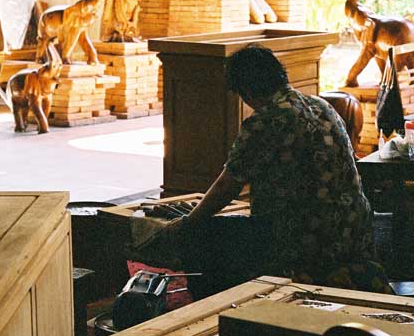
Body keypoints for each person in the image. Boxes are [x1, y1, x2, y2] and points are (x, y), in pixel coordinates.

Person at [145, 45, 388, 298]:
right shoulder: (322, 106)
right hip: (354, 227)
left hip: (306, 238)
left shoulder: (266, 120)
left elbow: (228, 186)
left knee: (200, 235)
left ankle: (218, 308)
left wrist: (187, 223)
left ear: (246, 90)